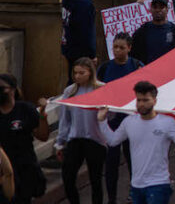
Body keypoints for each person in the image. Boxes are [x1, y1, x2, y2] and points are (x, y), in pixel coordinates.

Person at [96, 81, 175, 204]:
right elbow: (112, 141)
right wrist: (102, 121)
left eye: (145, 100)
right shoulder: (129, 122)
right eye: (139, 100)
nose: (141, 104)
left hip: (159, 184)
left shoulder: (167, 122)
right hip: (136, 185)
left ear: (154, 101)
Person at [52, 58, 106, 204]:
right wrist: (60, 142)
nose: (77, 76)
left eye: (81, 73)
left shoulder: (101, 89)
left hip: (95, 140)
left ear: (90, 72)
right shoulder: (70, 91)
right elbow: (65, 119)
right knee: (68, 177)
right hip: (75, 139)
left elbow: (110, 115)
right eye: (75, 73)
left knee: (95, 179)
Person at [97, 33, 142, 204]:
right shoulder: (105, 68)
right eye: (115, 47)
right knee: (111, 163)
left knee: (133, 161)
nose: (117, 51)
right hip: (112, 123)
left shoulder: (137, 65)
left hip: (132, 121)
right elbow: (98, 90)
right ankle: (111, 198)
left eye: (122, 47)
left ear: (129, 48)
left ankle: (134, 192)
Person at [0, 74, 48, 204]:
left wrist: (42, 116)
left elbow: (42, 136)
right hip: (4, 169)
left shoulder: (25, 109)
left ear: (12, 89)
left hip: (25, 168)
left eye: (2, 88)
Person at [61, 0, 96, 76]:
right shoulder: (85, 3)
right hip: (81, 54)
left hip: (68, 49)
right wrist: (92, 55)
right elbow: (87, 32)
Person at [130, 0, 175, 65]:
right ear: (150, 10)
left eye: (161, 7)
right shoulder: (142, 31)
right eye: (155, 7)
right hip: (150, 72)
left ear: (167, 10)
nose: (158, 10)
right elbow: (132, 52)